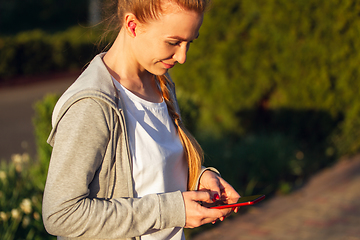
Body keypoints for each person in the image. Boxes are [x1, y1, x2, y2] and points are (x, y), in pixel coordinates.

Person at [42, 0, 240, 239]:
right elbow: (60, 215)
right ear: (132, 25)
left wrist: (200, 178)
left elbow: (153, 175)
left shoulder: (160, 83)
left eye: (190, 42)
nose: (182, 56)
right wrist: (172, 210)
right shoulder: (91, 105)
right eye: (173, 42)